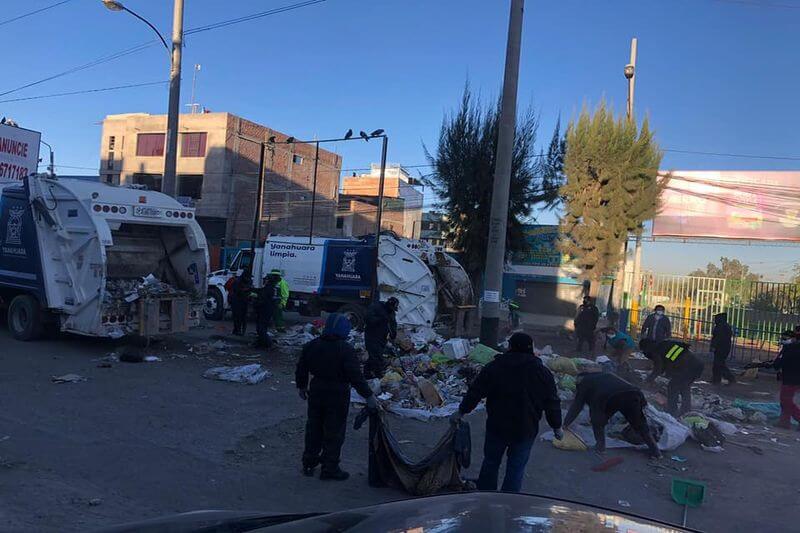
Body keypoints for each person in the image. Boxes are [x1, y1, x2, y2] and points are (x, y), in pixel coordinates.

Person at [450, 332, 563, 492]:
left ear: (510, 347)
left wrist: (461, 412)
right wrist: (556, 427)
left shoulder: (495, 367)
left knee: (491, 461)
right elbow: (552, 402)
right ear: (531, 349)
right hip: (526, 428)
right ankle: (509, 500)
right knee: (516, 468)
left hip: (498, 426)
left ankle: (486, 494)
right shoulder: (542, 372)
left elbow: (476, 392)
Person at [296, 313, 379, 480]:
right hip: (337, 393)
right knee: (334, 431)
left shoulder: (312, 345)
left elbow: (301, 368)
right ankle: (330, 468)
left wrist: (302, 386)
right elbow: (355, 376)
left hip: (317, 390)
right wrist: (369, 396)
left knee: (314, 428)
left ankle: (309, 463)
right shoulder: (345, 349)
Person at [563, 372, 662, 459]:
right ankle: (656, 452)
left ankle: (600, 448)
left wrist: (565, 424)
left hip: (609, 397)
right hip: (633, 394)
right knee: (640, 425)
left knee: (597, 421)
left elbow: (577, 406)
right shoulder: (604, 375)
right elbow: (638, 399)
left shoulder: (584, 382)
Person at [641, 338, 704, 416]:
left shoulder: (656, 350)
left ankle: (672, 412)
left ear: (646, 348)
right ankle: (686, 411)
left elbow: (658, 368)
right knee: (684, 387)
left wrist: (648, 380)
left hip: (689, 366)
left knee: (673, 387)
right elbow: (666, 364)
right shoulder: (663, 345)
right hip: (697, 365)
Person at [363, 297, 399, 379]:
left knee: (376, 356)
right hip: (371, 335)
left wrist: (393, 333)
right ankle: (377, 374)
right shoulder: (376, 307)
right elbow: (367, 319)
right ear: (388, 304)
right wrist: (380, 319)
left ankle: (367, 372)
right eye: (392, 308)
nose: (392, 310)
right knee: (376, 356)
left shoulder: (391, 312)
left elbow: (393, 323)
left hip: (382, 337)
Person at [774, 329, 800, 429]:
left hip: (790, 378)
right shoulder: (793, 347)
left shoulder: (790, 348)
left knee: (785, 401)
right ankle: (784, 422)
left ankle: (785, 422)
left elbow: (779, 363)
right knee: (786, 400)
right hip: (793, 377)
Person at [253, 273, 279, 348]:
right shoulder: (272, 288)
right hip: (268, 311)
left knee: (261, 329)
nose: (264, 280)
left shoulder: (268, 289)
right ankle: (261, 343)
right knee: (262, 328)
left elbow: (262, 300)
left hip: (264, 311)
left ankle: (269, 344)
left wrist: (255, 303)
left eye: (266, 279)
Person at [710, 312, 736, 385]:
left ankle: (728, 377)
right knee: (718, 363)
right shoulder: (725, 326)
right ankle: (716, 379)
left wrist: (713, 346)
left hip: (721, 348)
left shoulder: (720, 327)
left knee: (719, 364)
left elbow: (717, 338)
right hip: (724, 347)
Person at [229, 272, 252, 336]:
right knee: (237, 317)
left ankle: (241, 331)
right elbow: (237, 291)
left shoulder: (248, 281)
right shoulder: (238, 281)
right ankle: (237, 330)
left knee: (243, 317)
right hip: (237, 301)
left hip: (243, 301)